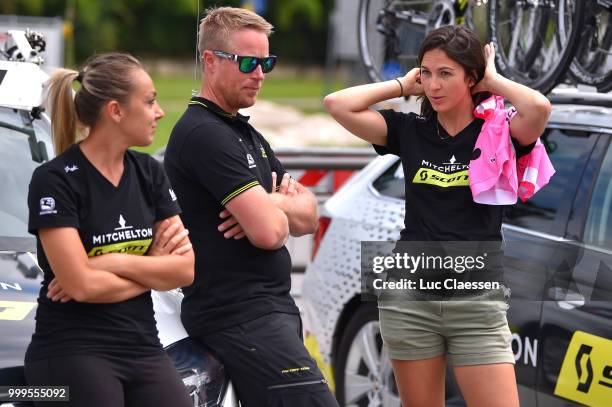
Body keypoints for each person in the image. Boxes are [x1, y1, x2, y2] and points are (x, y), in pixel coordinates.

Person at [324, 26, 551, 407]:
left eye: (446, 73)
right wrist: (401, 85)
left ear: (471, 78)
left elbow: (539, 109)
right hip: (410, 301)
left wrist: (493, 80)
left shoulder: (497, 133)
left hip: (476, 304)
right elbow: (337, 104)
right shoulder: (410, 131)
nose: (433, 84)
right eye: (426, 73)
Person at [163, 6, 339, 407]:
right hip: (239, 315)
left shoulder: (244, 132)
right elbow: (271, 232)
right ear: (209, 61)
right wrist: (276, 209)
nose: (259, 73)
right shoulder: (204, 133)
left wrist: (266, 201)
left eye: (266, 62)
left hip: (267, 312)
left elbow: (309, 215)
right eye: (247, 62)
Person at [25, 53, 195, 407]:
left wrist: (108, 262)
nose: (159, 112)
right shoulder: (54, 180)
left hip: (143, 346)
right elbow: (81, 286)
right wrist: (151, 266)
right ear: (116, 111)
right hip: (72, 349)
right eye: (149, 102)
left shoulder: (149, 172)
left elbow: (184, 270)